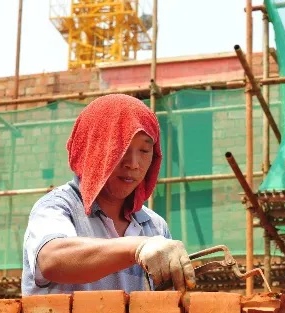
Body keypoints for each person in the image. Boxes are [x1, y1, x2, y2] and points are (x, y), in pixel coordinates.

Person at [21, 94, 196, 296]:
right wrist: (136, 249)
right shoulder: (58, 207)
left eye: (145, 150)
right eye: (121, 148)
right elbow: (51, 259)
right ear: (92, 149)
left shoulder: (154, 226)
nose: (133, 163)